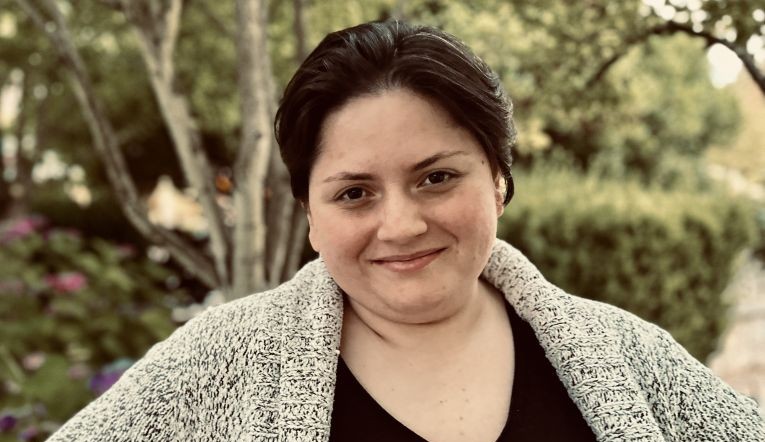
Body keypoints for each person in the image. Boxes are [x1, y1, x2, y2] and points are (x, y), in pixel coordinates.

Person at [48, 20, 763, 442]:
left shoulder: (628, 354)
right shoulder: (215, 365)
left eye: (436, 177)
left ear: (498, 180)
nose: (400, 224)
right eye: (354, 193)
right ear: (311, 216)